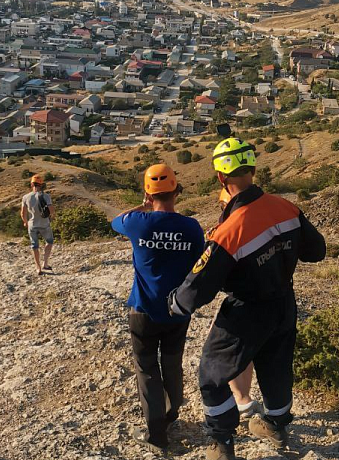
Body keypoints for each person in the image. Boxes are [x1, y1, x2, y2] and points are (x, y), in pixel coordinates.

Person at [168, 138, 326, 460]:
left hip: (245, 313)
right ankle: (276, 426)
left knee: (211, 375)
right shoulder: (286, 207)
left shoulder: (229, 231)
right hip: (284, 304)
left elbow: (196, 290)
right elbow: (317, 251)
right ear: (253, 169)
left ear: (220, 179)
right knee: (277, 369)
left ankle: (222, 442)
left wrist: (175, 303)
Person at [111, 164, 205, 452]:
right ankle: (172, 412)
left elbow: (116, 220)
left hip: (143, 309)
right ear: (177, 192)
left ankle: (156, 434)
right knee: (173, 361)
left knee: (147, 367)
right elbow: (199, 262)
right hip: (178, 310)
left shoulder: (137, 222)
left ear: (148, 195)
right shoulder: (191, 227)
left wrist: (143, 205)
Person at [209, 189, 262, 421]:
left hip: (243, 300)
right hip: (268, 298)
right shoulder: (259, 218)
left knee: (229, 348)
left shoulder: (232, 228)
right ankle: (245, 399)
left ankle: (240, 401)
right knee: (247, 349)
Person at [20, 174, 55, 275]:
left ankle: (38, 268)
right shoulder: (46, 196)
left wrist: (26, 222)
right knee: (49, 242)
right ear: (41, 184)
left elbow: (23, 213)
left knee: (34, 246)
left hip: (32, 225)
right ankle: (45, 263)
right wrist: (51, 216)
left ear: (31, 184)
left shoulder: (25, 197)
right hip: (45, 224)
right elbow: (51, 210)